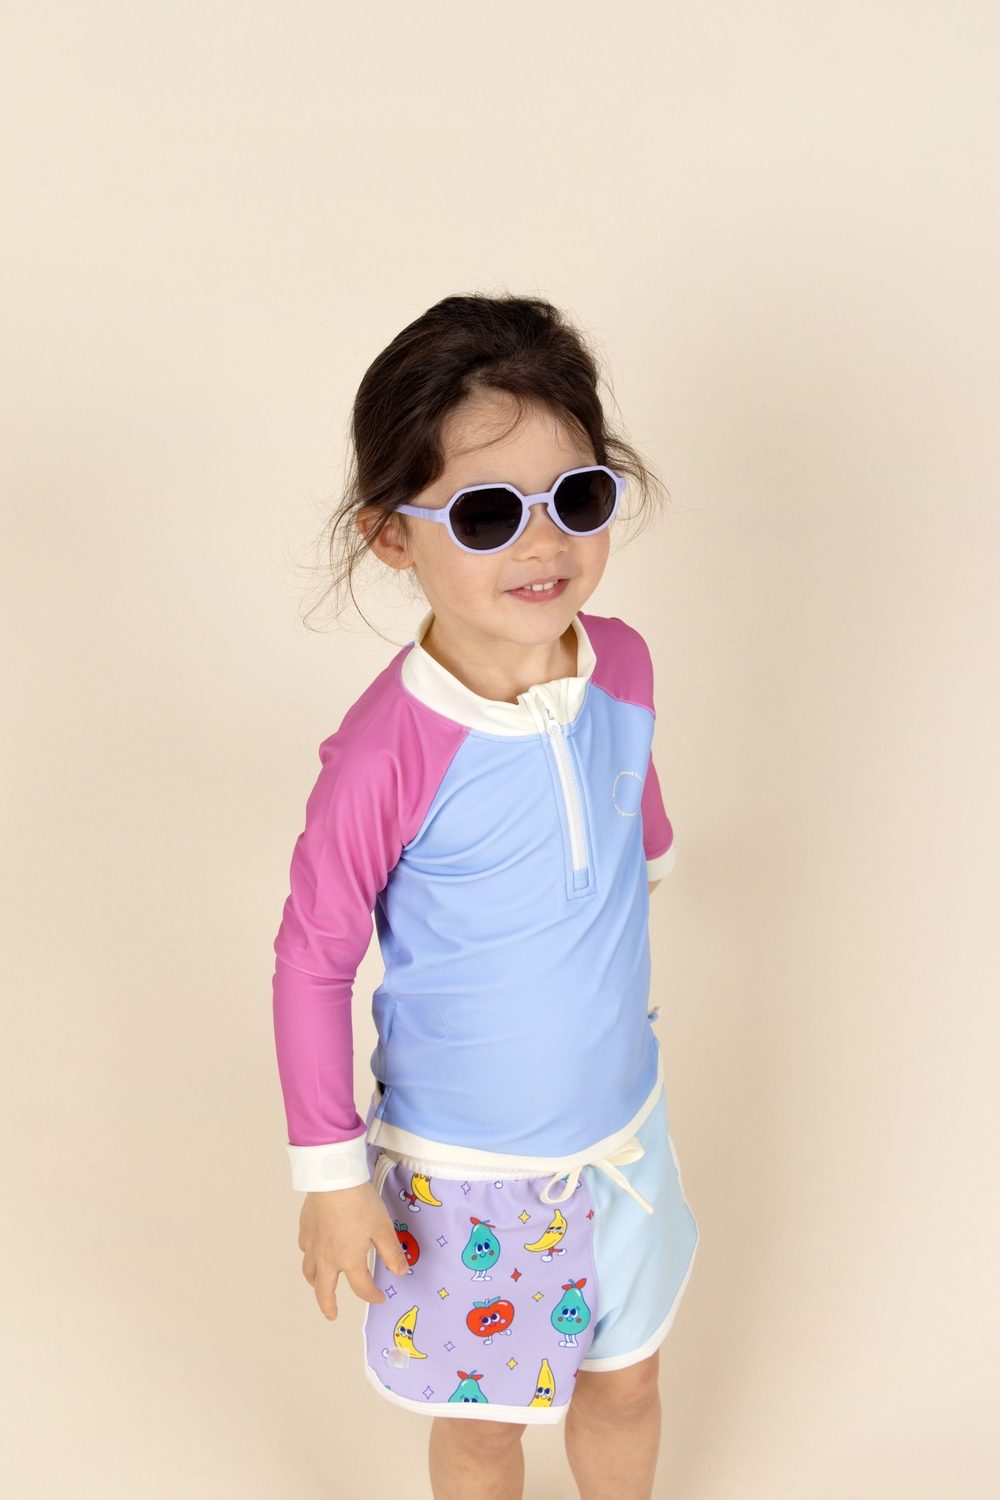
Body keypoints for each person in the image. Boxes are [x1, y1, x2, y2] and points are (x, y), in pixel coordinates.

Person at [271, 292, 700, 1500]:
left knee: (627, 1384)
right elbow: (311, 960)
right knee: (485, 1430)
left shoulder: (623, 663)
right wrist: (330, 1177)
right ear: (390, 536)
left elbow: (631, 790)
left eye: (577, 498)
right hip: (469, 1174)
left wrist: (647, 861)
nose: (541, 544)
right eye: (486, 513)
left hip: (623, 1135)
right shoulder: (384, 756)